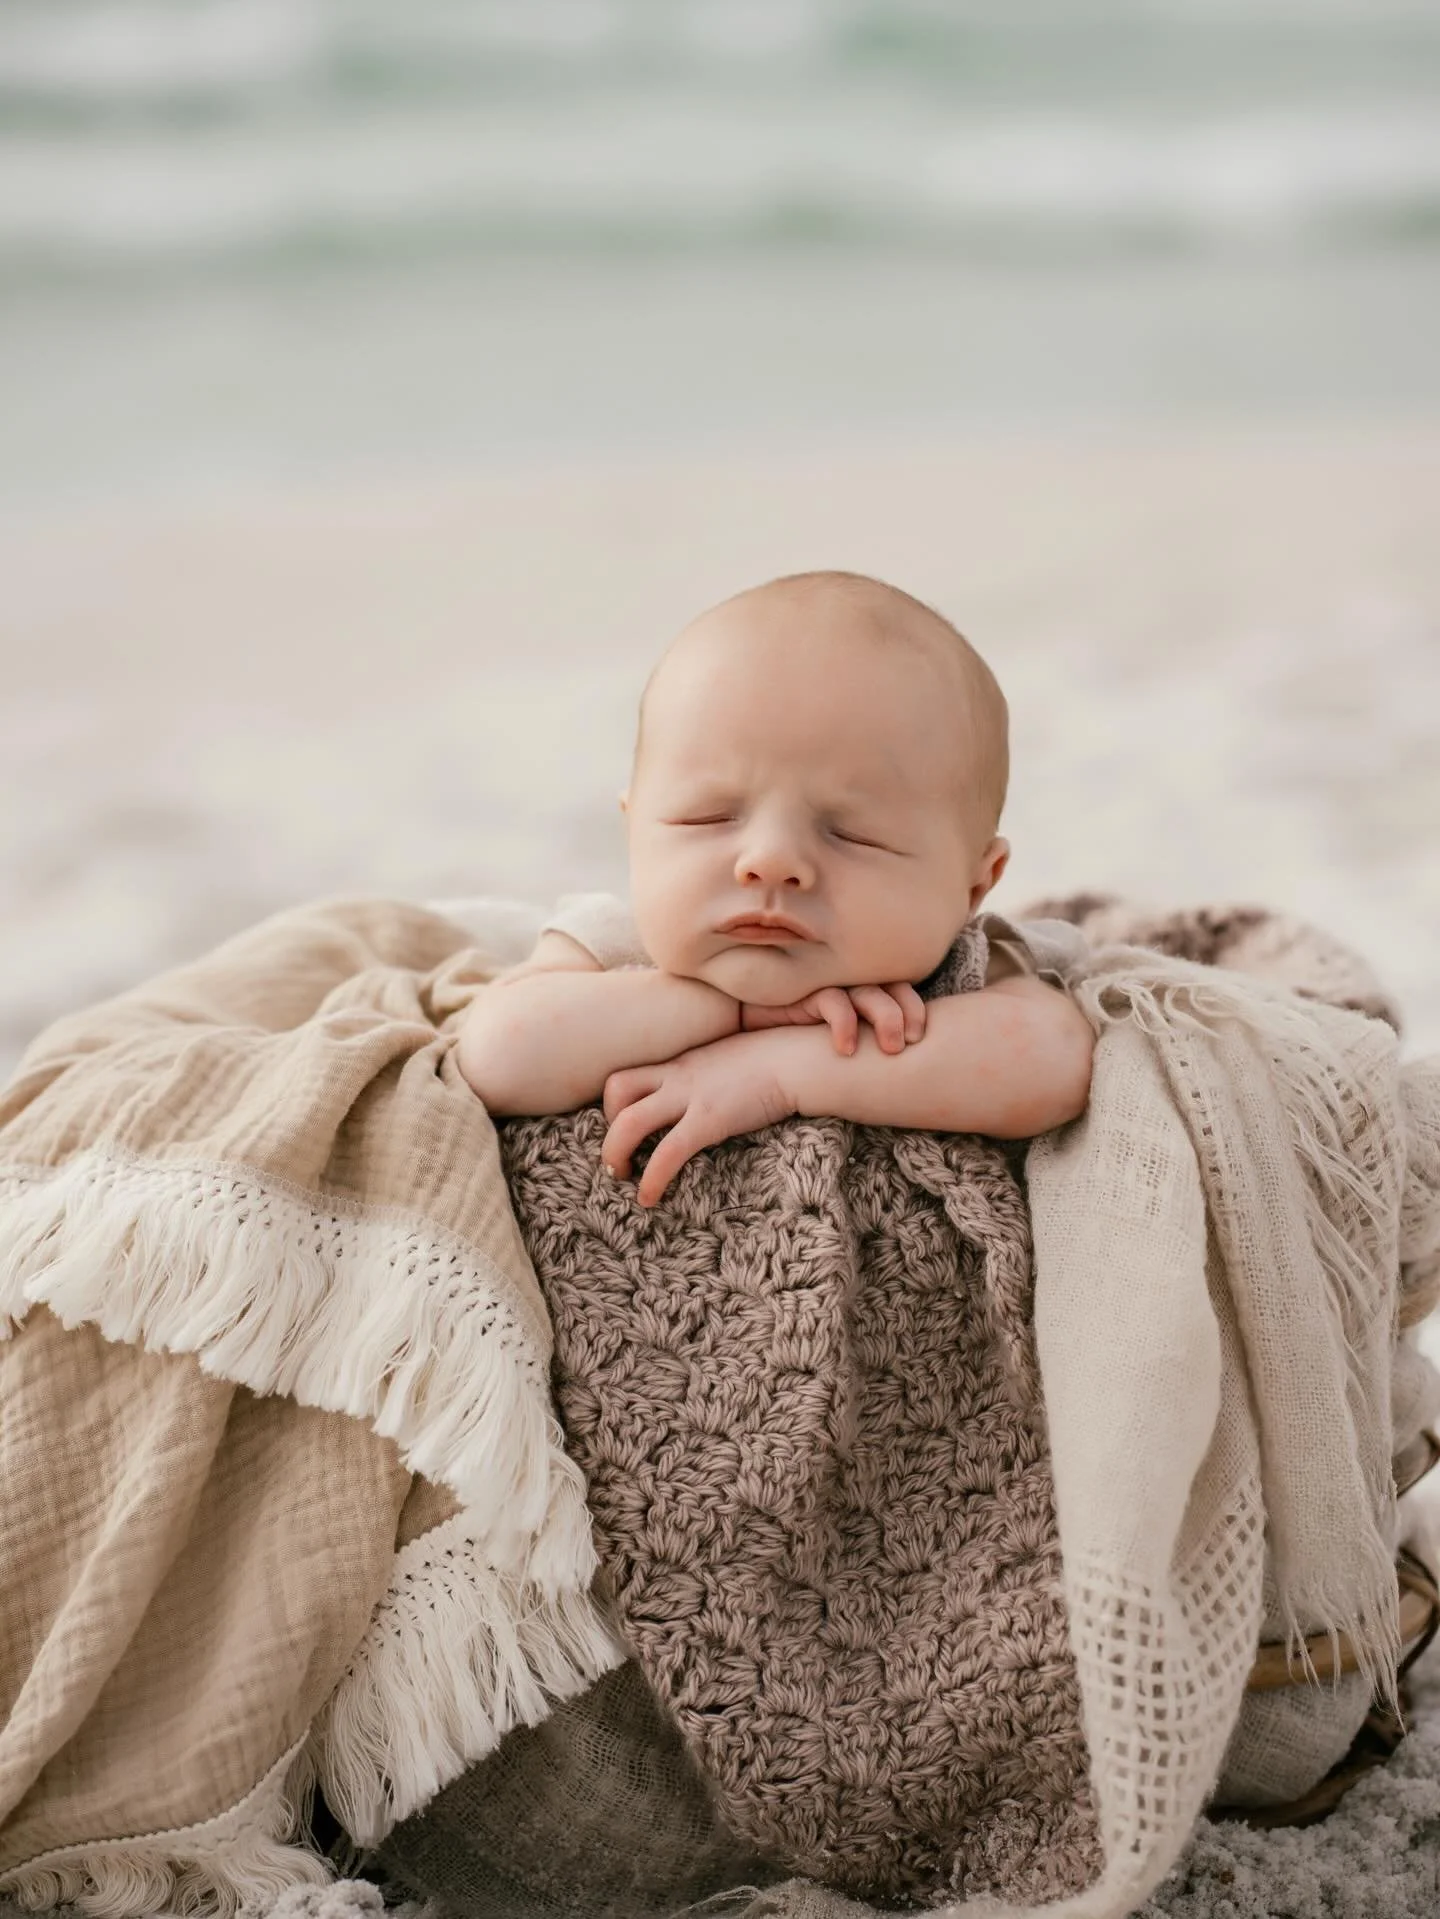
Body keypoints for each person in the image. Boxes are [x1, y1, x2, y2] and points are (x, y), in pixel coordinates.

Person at [458, 570, 1094, 1206]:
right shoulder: (610, 950)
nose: (770, 861)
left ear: (974, 885)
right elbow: (497, 1056)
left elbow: (1058, 1056)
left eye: (853, 834)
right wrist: (733, 1013)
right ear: (635, 833)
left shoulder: (962, 972)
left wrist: (779, 1070)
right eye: (707, 817)